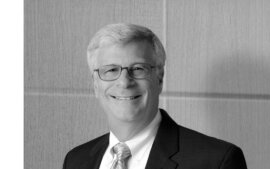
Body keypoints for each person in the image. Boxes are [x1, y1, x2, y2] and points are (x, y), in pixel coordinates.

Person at [63, 23, 247, 169]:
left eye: (138, 69)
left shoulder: (216, 161)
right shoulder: (76, 160)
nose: (125, 82)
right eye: (111, 70)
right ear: (95, 84)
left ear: (159, 78)